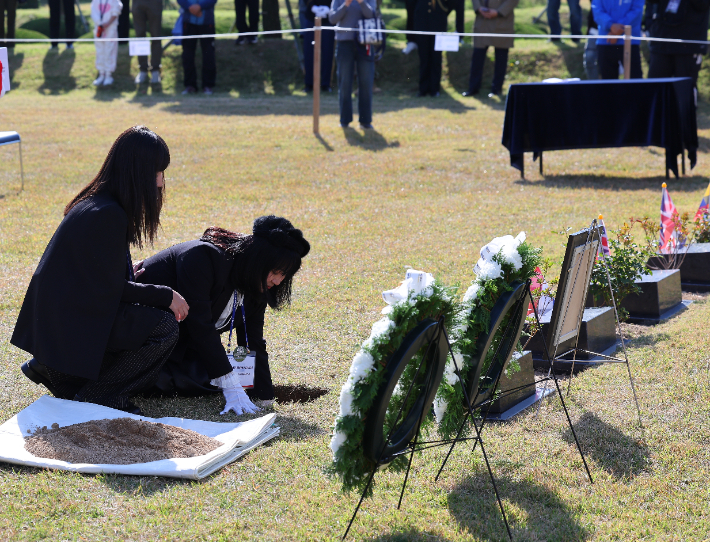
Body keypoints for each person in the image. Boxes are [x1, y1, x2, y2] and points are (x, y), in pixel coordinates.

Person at [12, 126, 187, 415]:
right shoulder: (109, 214)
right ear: (138, 172)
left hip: (61, 326)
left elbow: (94, 278)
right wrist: (167, 295)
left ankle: (60, 376)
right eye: (158, 172)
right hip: (69, 327)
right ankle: (99, 397)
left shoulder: (97, 203)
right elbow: (111, 290)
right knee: (164, 327)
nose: (160, 182)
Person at [136, 216, 311, 414]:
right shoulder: (203, 256)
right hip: (139, 343)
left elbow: (252, 341)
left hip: (182, 350)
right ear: (259, 260)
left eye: (284, 275)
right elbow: (200, 326)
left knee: (214, 377)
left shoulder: (258, 285)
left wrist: (264, 397)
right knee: (202, 378)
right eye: (276, 271)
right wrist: (230, 384)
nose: (278, 281)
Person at [329, 0, 377, 129]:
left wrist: (361, 2)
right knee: (344, 82)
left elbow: (371, 14)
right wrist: (346, 4)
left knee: (366, 83)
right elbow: (333, 19)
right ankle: (345, 120)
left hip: (365, 43)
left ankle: (365, 121)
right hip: (344, 44)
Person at [646, 0, 710, 93]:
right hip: (662, 42)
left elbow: (702, 5)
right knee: (655, 90)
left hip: (688, 46)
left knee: (684, 93)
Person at [463, 0, 519, 97]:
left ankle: (496, 89)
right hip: (482, 23)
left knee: (501, 59)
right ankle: (473, 88)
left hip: (502, 23)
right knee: (477, 57)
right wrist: (479, 9)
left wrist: (498, 12)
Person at [591, 0, 644, 79]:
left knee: (634, 83)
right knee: (608, 84)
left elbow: (637, 11)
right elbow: (597, 10)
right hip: (606, 41)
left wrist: (617, 30)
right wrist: (611, 25)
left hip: (630, 41)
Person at [178, 0, 218, 94]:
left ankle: (208, 85)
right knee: (187, 54)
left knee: (209, 54)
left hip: (207, 21)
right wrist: (190, 7)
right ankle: (190, 85)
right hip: (188, 21)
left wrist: (200, 7)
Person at [413, 0, 450, 97]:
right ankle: (423, 89)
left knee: (436, 59)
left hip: (438, 24)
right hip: (422, 24)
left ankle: (435, 89)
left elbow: (450, 5)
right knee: (424, 58)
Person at [299, 0, 335, 92]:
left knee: (328, 52)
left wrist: (330, 8)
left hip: (329, 18)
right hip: (311, 17)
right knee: (309, 52)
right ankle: (309, 83)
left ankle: (326, 84)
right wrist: (312, 6)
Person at [91, 0, 123, 86]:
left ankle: (108, 75)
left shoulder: (114, 1)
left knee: (110, 50)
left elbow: (116, 11)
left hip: (111, 29)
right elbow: (93, 11)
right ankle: (101, 74)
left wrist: (107, 23)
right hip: (99, 29)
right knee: (100, 51)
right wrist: (100, 24)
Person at [132, 0, 164, 84]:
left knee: (156, 35)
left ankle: (155, 70)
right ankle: (143, 69)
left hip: (154, 3)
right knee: (140, 36)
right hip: (137, 3)